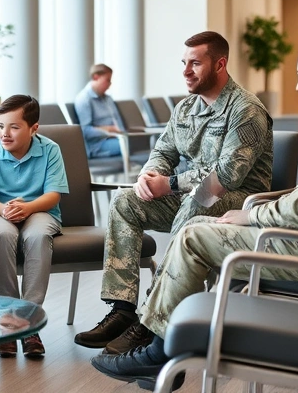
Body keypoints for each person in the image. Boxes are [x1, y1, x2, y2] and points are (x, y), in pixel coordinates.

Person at [90, 32, 298, 388]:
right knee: (145, 205)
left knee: (193, 235)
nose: (297, 85)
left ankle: (158, 349)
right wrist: (150, 174)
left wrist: (252, 214)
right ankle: (133, 320)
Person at [74, 31, 273, 354]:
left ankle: (152, 315)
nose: (185, 71)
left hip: (237, 200)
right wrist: (149, 175)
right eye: (184, 63)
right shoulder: (185, 109)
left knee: (200, 198)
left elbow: (226, 175)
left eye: (195, 63)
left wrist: (168, 184)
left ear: (220, 64)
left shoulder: (245, 109)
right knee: (126, 201)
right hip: (191, 194)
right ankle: (123, 310)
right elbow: (164, 151)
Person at [0, 95, 69, 359]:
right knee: (2, 234)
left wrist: (27, 208)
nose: (5, 133)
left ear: (33, 128)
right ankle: (8, 321)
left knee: (38, 235)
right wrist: (4, 210)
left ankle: (28, 322)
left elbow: (53, 195)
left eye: (14, 127)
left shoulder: (50, 149)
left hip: (40, 210)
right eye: (0, 125)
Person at [73, 63, 123, 158]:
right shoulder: (84, 99)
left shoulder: (108, 99)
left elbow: (118, 121)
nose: (109, 84)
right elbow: (85, 130)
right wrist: (109, 130)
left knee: (146, 142)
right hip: (98, 144)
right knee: (133, 145)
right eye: (107, 80)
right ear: (96, 77)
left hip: (117, 138)